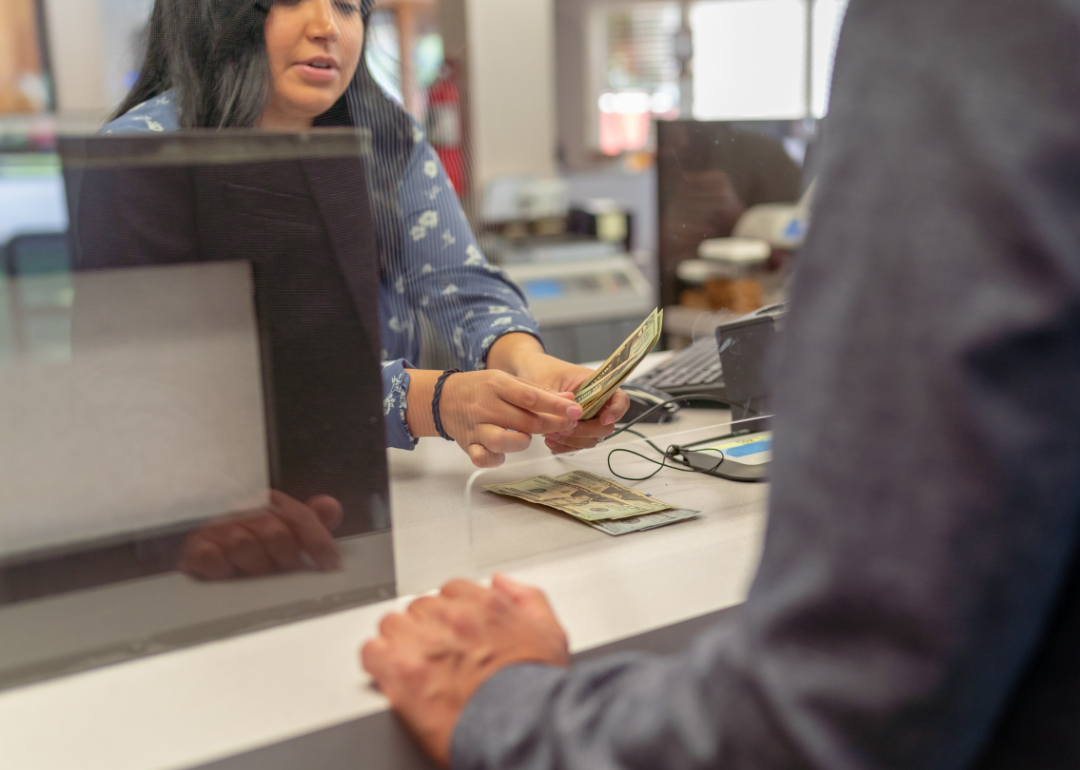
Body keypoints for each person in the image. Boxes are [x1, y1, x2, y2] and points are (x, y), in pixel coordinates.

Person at [362, 1, 1080, 768]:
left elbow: (827, 713)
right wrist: (430, 398)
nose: (323, 24)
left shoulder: (963, 30)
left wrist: (508, 708)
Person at [97, 0, 629, 471]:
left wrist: (530, 369)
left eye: (348, 5)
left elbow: (461, 284)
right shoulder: (137, 158)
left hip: (367, 487)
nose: (327, 25)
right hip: (207, 501)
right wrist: (434, 401)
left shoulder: (387, 137)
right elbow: (172, 379)